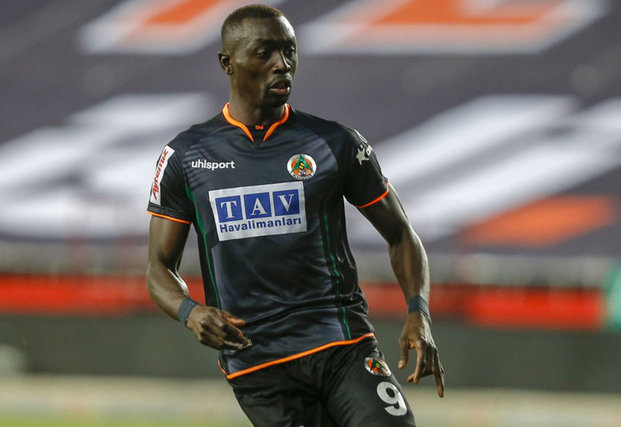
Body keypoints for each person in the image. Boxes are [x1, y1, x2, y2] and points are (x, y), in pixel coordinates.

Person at [146, 4, 444, 426]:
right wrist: (190, 311)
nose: (282, 64)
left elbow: (400, 234)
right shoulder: (186, 157)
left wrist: (418, 312)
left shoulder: (335, 144)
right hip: (258, 365)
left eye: (289, 51)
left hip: (342, 346)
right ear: (228, 63)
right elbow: (158, 268)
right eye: (264, 52)